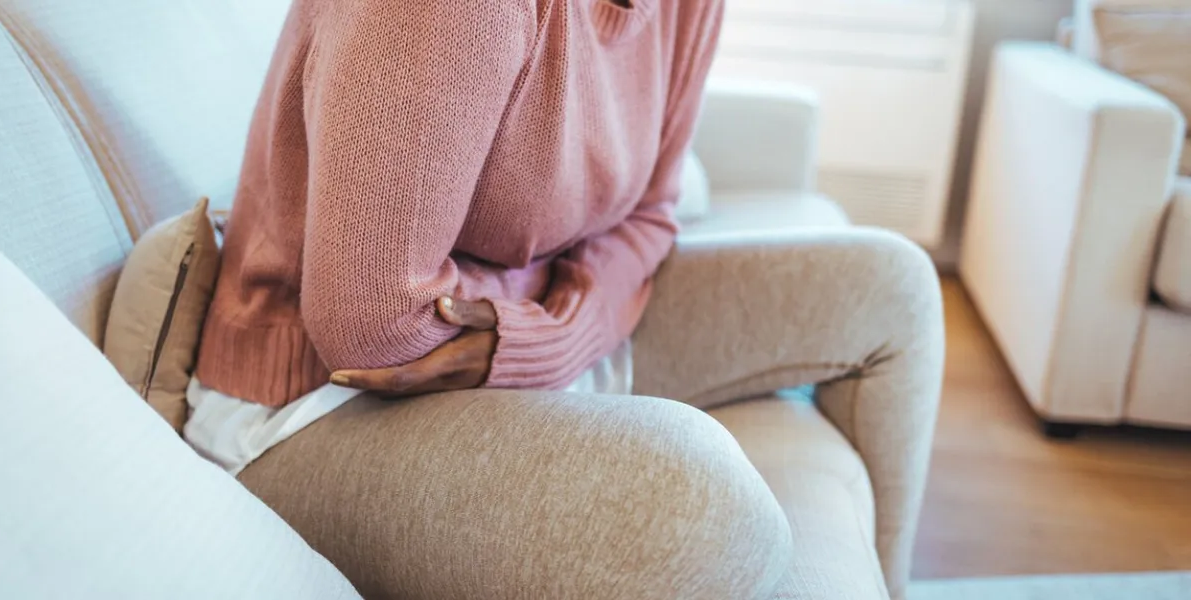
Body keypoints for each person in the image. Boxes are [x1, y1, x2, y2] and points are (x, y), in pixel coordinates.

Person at [184, 0, 798, 597]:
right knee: (702, 510)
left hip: (515, 340)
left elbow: (652, 214)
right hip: (317, 403)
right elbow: (374, 323)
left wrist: (554, 330)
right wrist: (553, 302)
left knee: (888, 284)